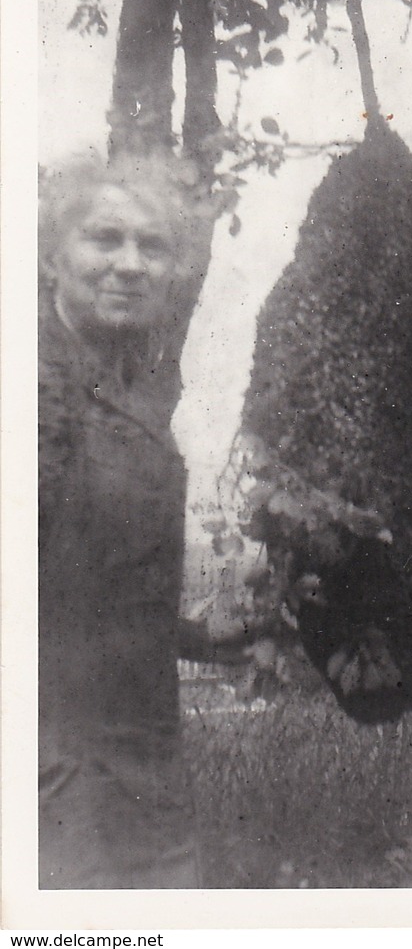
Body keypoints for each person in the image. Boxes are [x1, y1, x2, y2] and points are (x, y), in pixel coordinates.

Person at [38, 156, 244, 889]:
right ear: (49, 255)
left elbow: (91, 583)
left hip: (145, 764)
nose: (130, 265)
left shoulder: (129, 389)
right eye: (105, 238)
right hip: (51, 781)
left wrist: (202, 635)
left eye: (152, 247)